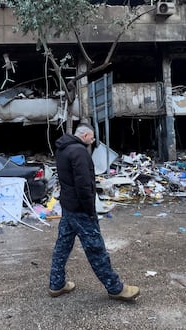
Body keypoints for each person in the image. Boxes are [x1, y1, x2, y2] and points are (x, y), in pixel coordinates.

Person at [48, 123, 140, 301]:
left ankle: (56, 284)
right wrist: (91, 210)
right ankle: (116, 288)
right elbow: (84, 185)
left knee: (63, 246)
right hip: (80, 208)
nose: (93, 140)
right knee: (96, 248)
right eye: (91, 137)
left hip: (68, 206)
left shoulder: (62, 149)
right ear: (83, 135)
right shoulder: (79, 151)